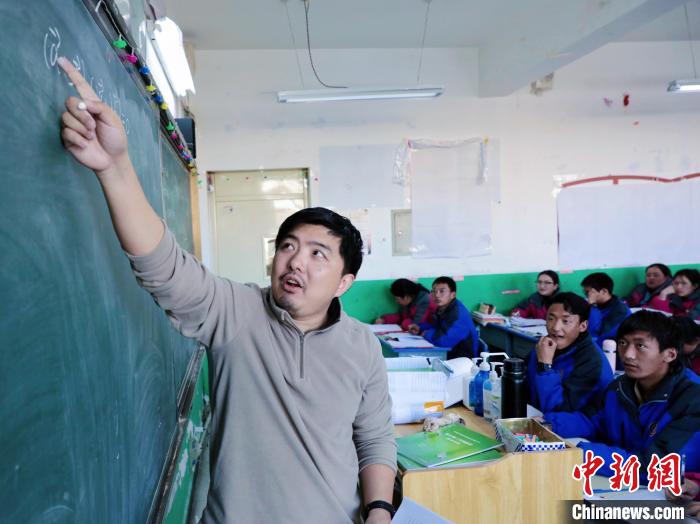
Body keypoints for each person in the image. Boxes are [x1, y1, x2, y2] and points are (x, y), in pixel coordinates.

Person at [57, 57, 396, 524]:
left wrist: (379, 511)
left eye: (318, 253)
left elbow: (374, 439)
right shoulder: (237, 313)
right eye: (288, 246)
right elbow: (163, 267)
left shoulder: (362, 346)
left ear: (344, 283)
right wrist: (115, 168)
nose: (296, 260)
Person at [544, 311, 700, 478]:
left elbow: (657, 466)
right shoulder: (621, 386)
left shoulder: (692, 399)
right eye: (623, 343)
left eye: (640, 346)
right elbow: (592, 420)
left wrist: (582, 454)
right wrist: (549, 426)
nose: (627, 354)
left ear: (670, 354)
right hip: (622, 480)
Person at [527, 292, 614, 413]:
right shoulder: (544, 346)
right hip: (535, 418)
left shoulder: (591, 362)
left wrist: (545, 367)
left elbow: (560, 410)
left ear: (583, 326)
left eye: (566, 321)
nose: (555, 327)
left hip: (565, 423)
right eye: (551, 319)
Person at [408, 276, 479, 358]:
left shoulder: (458, 314)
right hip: (449, 354)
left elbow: (445, 341)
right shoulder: (443, 308)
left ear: (452, 295)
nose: (437, 295)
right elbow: (436, 327)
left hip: (463, 360)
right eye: (434, 291)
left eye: (442, 291)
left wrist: (426, 333)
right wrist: (420, 328)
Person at [581, 272, 631, 348]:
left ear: (604, 291)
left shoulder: (620, 311)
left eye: (589, 292)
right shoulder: (596, 306)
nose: (587, 296)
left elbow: (599, 334)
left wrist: (593, 306)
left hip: (610, 349)